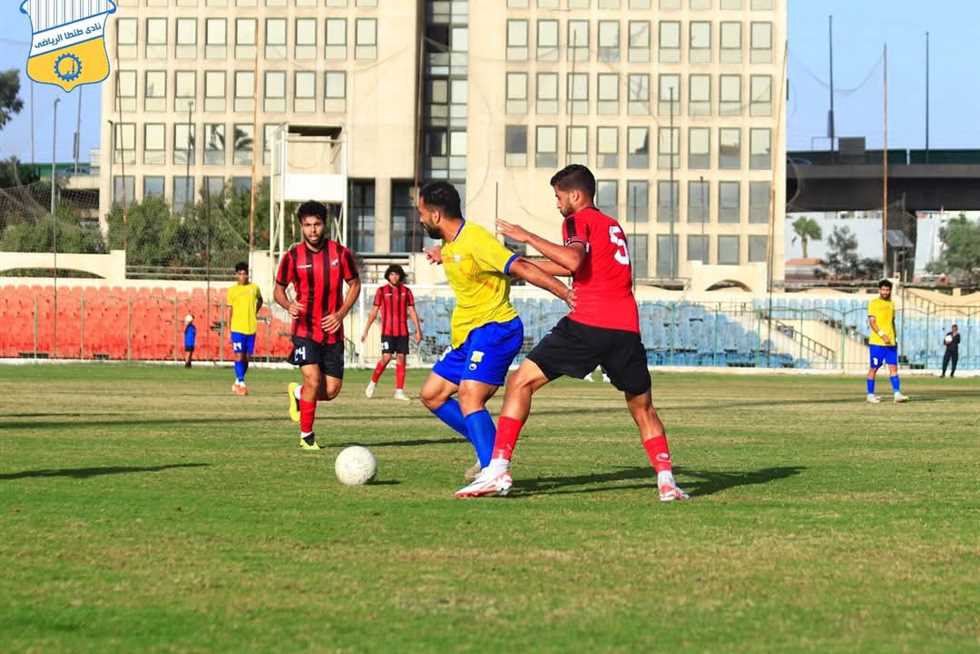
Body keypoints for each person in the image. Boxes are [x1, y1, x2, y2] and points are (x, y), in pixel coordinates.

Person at [455, 164, 688, 502]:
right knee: (643, 408)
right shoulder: (611, 226)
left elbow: (573, 261)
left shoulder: (577, 221)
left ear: (576, 195)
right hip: (624, 329)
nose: (557, 204)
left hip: (588, 323)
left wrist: (528, 236)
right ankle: (667, 481)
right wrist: (516, 267)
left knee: (520, 382)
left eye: (559, 196)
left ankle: (497, 469)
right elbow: (571, 264)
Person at [416, 181, 574, 481]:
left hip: (495, 328)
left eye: (421, 212)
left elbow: (522, 267)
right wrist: (442, 254)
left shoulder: (476, 239)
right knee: (432, 395)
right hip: (467, 335)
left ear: (435, 215)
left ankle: (494, 470)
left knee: (469, 396)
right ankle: (487, 446)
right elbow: (461, 257)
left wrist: (563, 293)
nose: (420, 218)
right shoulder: (452, 243)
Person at [274, 201, 361, 450]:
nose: (313, 230)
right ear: (301, 227)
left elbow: (354, 284)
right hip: (304, 331)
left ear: (325, 224)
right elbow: (278, 290)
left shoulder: (341, 254)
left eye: (317, 224)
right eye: (308, 225)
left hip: (333, 332)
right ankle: (307, 436)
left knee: (331, 390)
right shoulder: (292, 257)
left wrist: (341, 313)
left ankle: (298, 394)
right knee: (313, 379)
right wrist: (288, 304)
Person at [361, 264, 423, 402]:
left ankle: (399, 391)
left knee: (401, 359)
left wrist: (418, 330)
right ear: (388, 276)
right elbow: (373, 311)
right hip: (388, 332)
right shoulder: (381, 291)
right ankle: (373, 382)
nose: (394, 277)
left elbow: (412, 311)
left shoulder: (406, 291)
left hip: (402, 332)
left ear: (400, 276)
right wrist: (366, 330)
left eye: (396, 274)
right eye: (391, 274)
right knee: (386, 358)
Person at [866, 279, 909, 403]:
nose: (885, 292)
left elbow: (892, 322)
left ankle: (897, 393)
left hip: (891, 343)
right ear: (879, 290)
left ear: (890, 290)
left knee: (893, 368)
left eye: (887, 289)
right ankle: (870, 395)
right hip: (877, 343)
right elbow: (872, 322)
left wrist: (894, 337)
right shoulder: (874, 303)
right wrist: (881, 334)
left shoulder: (891, 304)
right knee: (874, 368)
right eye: (883, 289)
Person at [226, 261, 264, 395]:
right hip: (237, 328)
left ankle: (237, 381)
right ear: (236, 275)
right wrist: (228, 329)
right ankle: (242, 383)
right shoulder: (232, 291)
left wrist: (255, 311)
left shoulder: (254, 288)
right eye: (240, 274)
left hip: (251, 328)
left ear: (248, 275)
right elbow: (229, 311)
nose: (242, 276)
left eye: (245, 274)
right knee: (238, 355)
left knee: (246, 358)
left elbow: (260, 300)